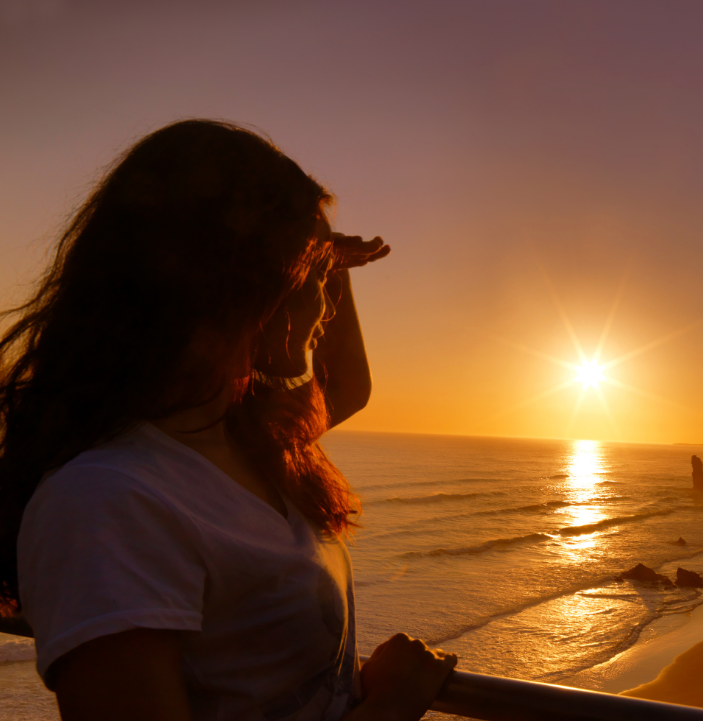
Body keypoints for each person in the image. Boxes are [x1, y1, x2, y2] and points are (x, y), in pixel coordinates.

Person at [0, 119, 456, 720]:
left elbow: (346, 386)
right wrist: (395, 700)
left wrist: (327, 260)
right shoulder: (107, 502)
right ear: (242, 284)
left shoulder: (244, 442)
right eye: (315, 275)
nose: (327, 303)